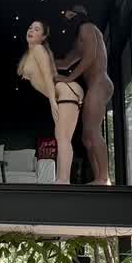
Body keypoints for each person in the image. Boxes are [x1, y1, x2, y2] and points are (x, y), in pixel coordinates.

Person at [17, 20, 83, 185]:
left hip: (64, 91)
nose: (31, 30)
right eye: (30, 27)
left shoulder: (38, 49)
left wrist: (52, 101)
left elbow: (47, 76)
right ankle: (62, 179)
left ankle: (63, 180)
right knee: (62, 137)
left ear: (43, 36)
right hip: (63, 92)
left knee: (62, 137)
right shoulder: (30, 54)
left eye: (36, 29)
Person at [55, 4, 113, 185]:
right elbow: (65, 63)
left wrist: (69, 78)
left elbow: (90, 56)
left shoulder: (87, 28)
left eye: (70, 16)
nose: (68, 19)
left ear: (78, 15)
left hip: (99, 83)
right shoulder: (78, 41)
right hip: (95, 85)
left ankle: (104, 178)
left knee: (93, 131)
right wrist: (42, 60)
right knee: (87, 137)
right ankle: (99, 179)